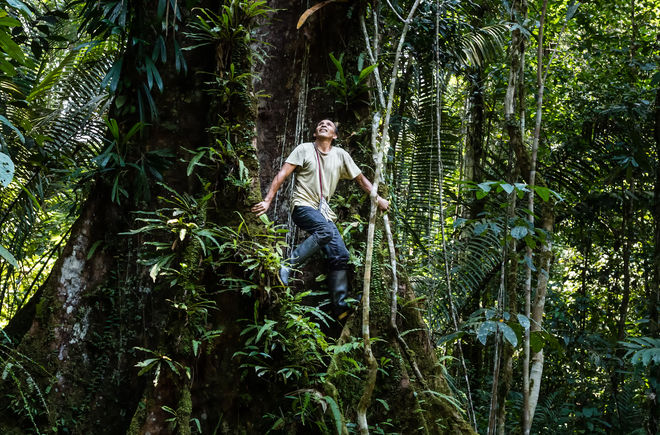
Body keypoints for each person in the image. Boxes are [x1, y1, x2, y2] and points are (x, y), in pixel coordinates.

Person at [252, 119, 389, 320]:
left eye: (329, 124)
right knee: (325, 232)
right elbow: (282, 174)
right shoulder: (304, 149)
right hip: (302, 206)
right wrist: (267, 201)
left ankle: (340, 309)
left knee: (340, 254)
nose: (323, 125)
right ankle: (287, 266)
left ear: (334, 135)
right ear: (315, 134)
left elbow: (361, 179)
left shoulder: (341, 155)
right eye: (320, 124)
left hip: (324, 214)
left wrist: (378, 199)